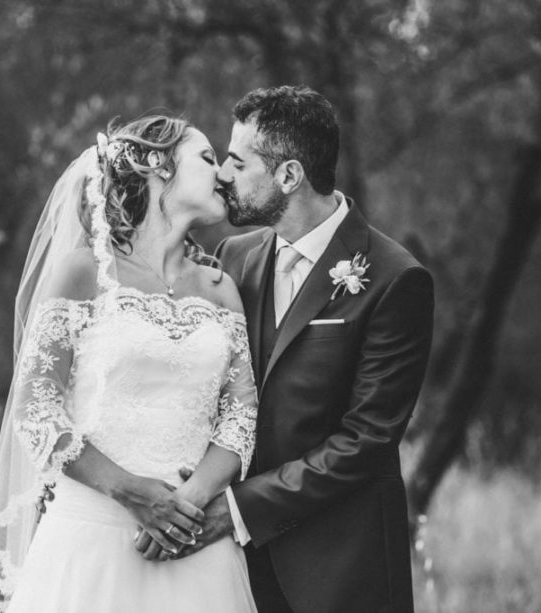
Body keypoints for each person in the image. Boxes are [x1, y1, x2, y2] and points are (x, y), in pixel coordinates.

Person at [0, 116, 259, 613]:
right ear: (155, 165)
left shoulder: (219, 289)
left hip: (192, 549)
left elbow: (241, 417)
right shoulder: (84, 272)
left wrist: (189, 501)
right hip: (90, 539)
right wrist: (130, 491)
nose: (223, 175)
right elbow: (36, 410)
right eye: (208, 159)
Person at [181, 86, 435, 613]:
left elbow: (367, 440)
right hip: (236, 572)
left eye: (237, 161)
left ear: (289, 176)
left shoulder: (395, 278)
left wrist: (240, 508)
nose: (222, 175)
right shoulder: (235, 256)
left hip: (343, 568)